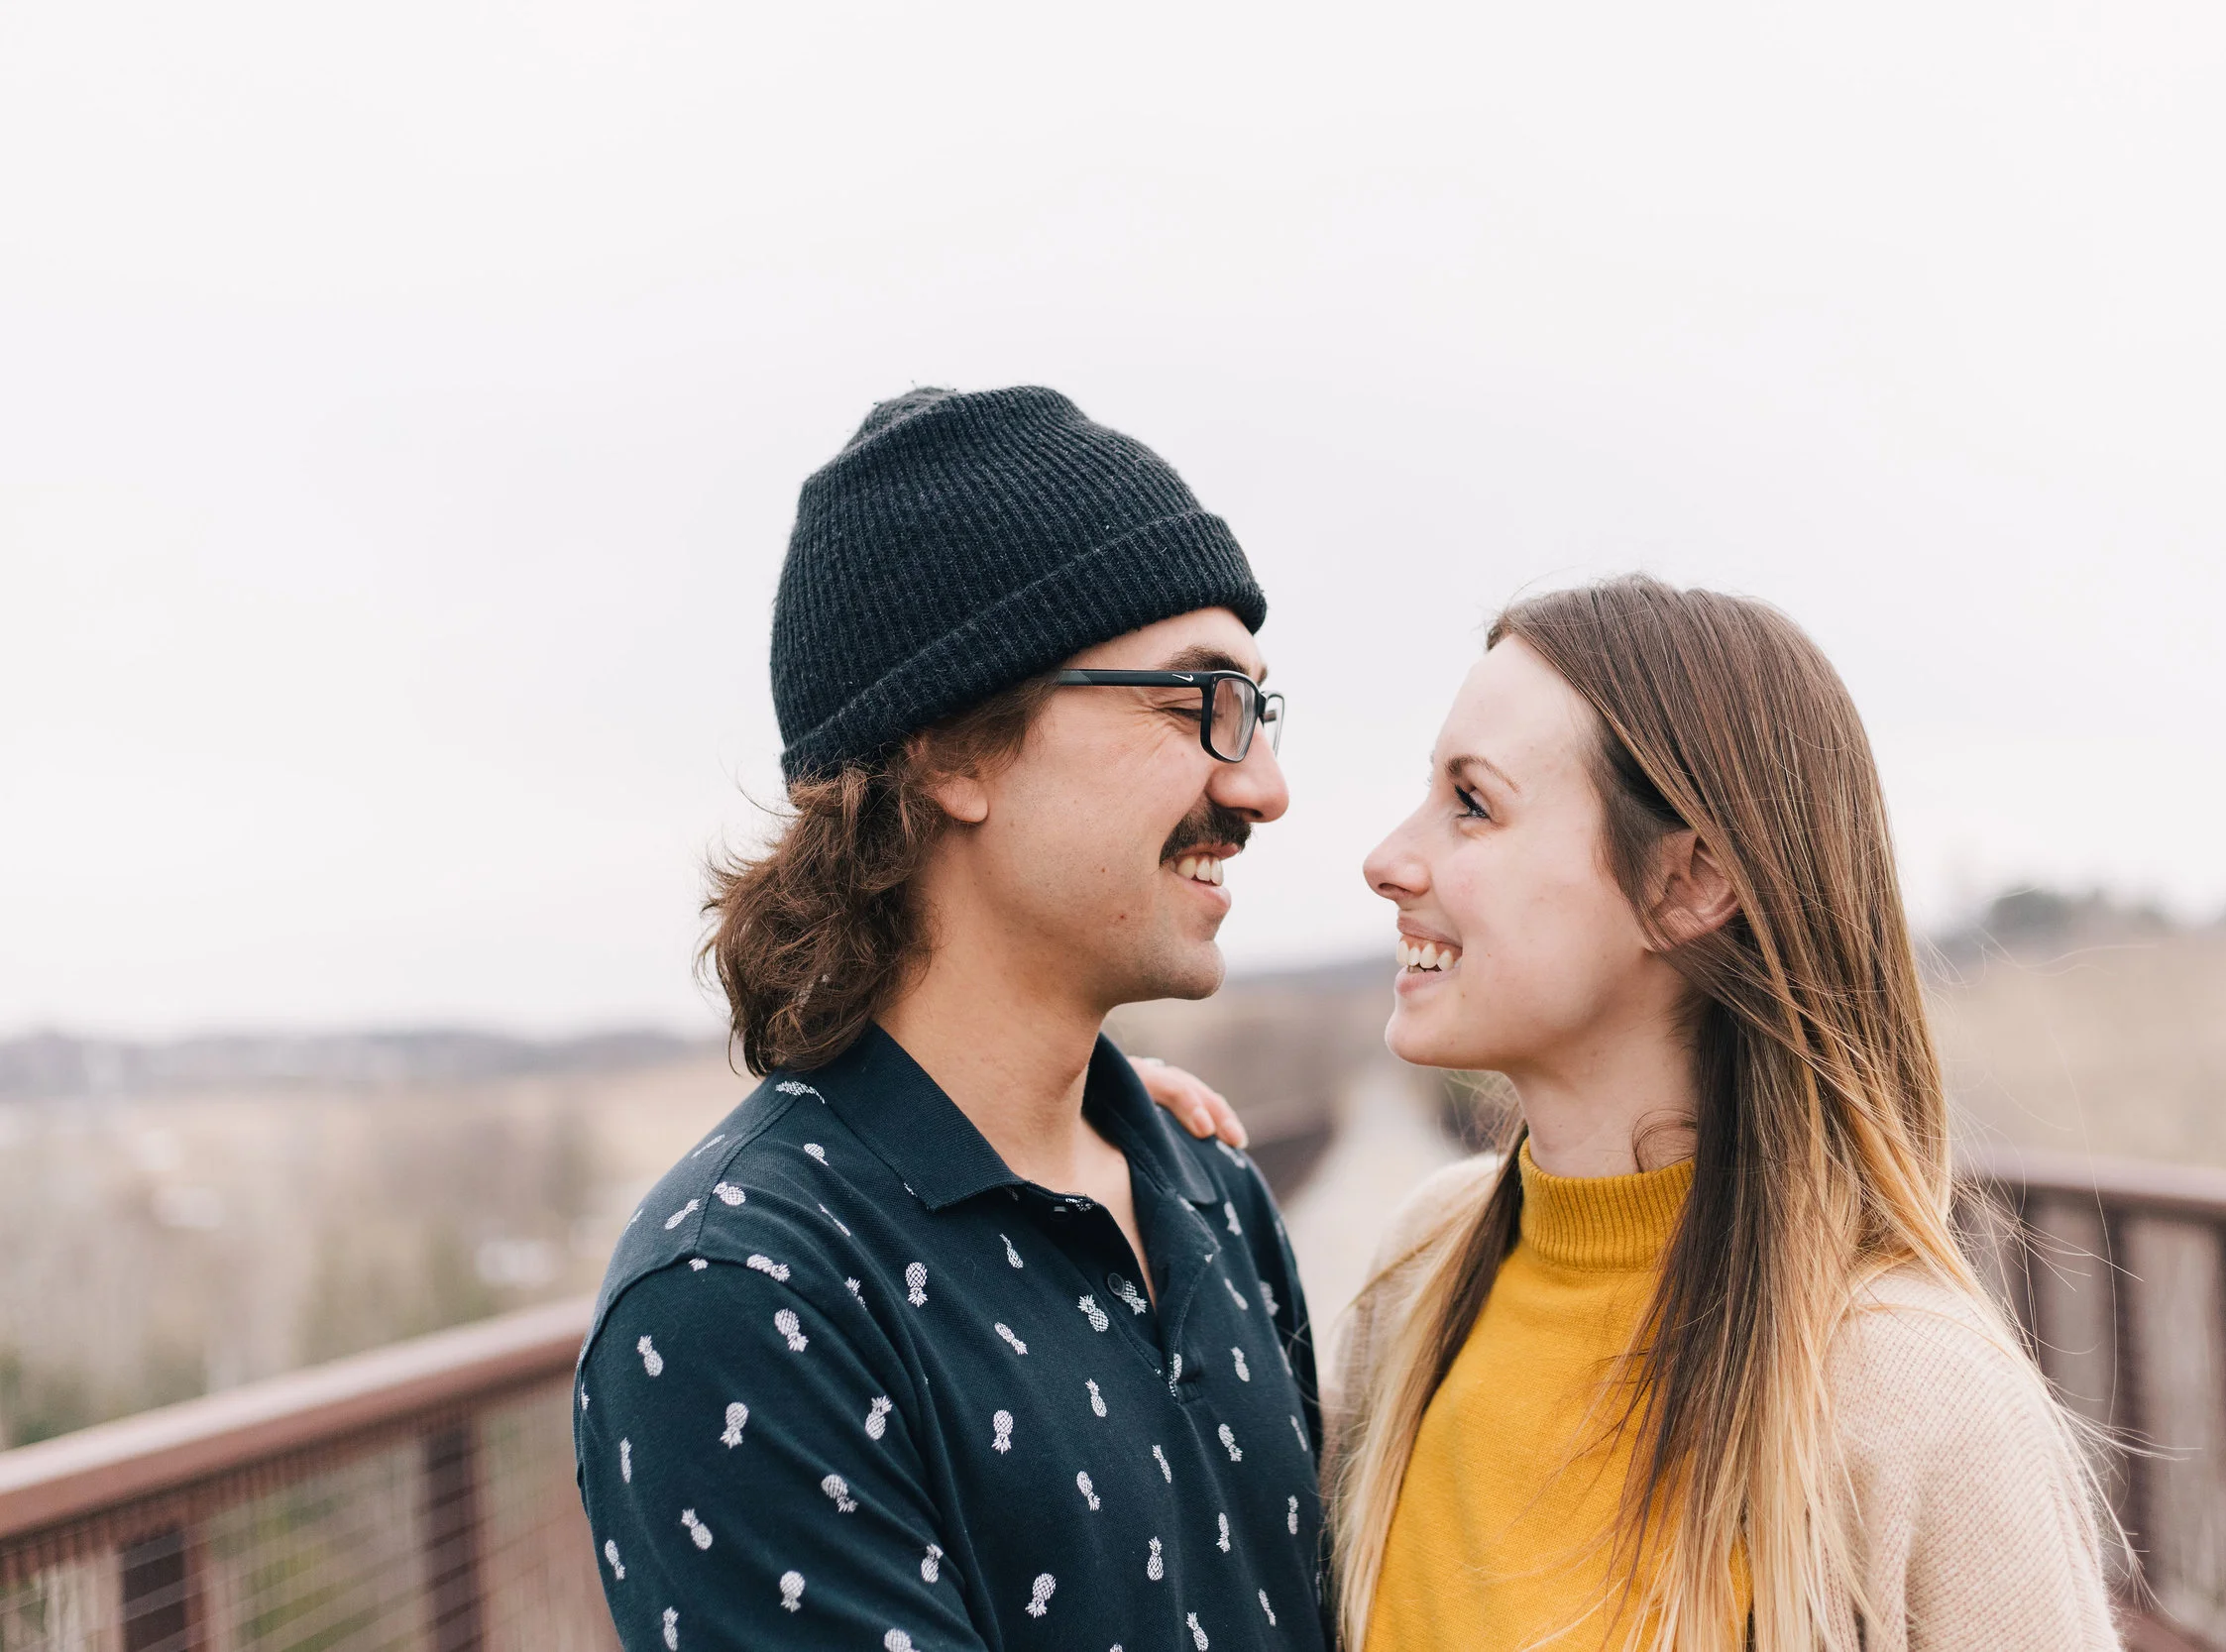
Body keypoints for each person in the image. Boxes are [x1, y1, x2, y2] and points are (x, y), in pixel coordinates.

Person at [1145, 576, 2120, 1650]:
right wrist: (1072, 1146)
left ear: (1687, 881)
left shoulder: (1919, 1397)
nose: (1387, 861)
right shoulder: (1422, 1272)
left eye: (1472, 803)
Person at [574, 386, 1326, 1652]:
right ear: (950, 750)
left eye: (1258, 707)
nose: (1262, 784)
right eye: (1197, 697)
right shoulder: (745, 1297)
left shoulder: (1208, 1190)